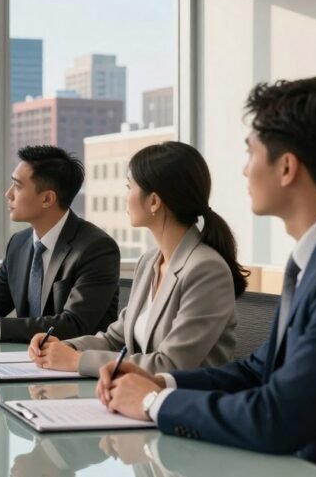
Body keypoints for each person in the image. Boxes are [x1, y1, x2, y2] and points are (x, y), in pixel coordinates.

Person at [98, 77, 316, 477]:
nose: (245, 170)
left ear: (286, 167)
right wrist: (160, 383)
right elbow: (255, 372)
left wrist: (151, 403)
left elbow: (277, 417)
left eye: (251, 153)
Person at [28, 142, 245, 376]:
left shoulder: (206, 269)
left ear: (154, 201)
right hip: (138, 393)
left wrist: (77, 360)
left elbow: (171, 365)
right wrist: (65, 347)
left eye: (129, 187)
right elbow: (115, 339)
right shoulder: (149, 262)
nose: (125, 196)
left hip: (187, 396)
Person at [0, 145, 120, 343]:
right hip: (24, 356)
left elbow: (75, 324)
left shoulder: (96, 248)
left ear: (47, 199)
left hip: (75, 359)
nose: (8, 194)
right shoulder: (19, 243)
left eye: (17, 186)